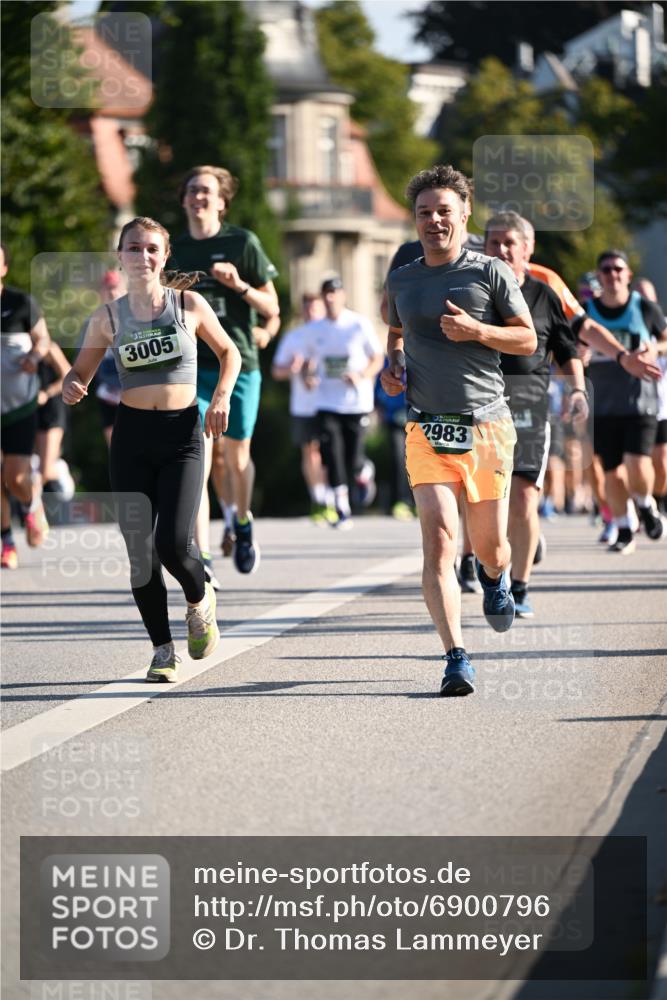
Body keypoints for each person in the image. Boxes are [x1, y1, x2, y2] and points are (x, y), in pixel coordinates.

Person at [62, 217, 241, 682]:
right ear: (120, 257)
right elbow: (79, 371)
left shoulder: (189, 305)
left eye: (151, 249)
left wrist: (219, 397)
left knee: (172, 543)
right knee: (140, 553)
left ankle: (199, 599)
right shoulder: (107, 318)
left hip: (183, 434)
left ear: (164, 258)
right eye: (133, 249)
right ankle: (163, 651)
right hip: (132, 437)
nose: (142, 257)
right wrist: (72, 385)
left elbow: (229, 353)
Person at [382, 165, 537, 697]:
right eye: (424, 212)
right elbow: (395, 326)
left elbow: (527, 340)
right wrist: (393, 362)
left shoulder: (490, 272)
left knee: (491, 547)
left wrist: (477, 331)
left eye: (444, 211)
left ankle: (497, 579)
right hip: (427, 429)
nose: (434, 221)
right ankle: (455, 656)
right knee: (441, 539)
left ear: (464, 214)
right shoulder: (402, 275)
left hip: (487, 426)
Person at [169, 165, 280, 579]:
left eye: (207, 191)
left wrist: (238, 286)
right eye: (192, 190)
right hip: (190, 368)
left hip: (238, 364)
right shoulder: (173, 250)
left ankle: (243, 521)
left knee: (236, 458)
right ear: (184, 199)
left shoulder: (242, 242)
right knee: (197, 456)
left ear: (221, 201)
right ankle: (202, 555)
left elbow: (272, 309)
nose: (199, 197)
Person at [483, 212, 588, 618]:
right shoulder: (474, 290)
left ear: (528, 249)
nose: (503, 250)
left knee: (524, 495)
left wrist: (577, 389)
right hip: (480, 405)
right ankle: (494, 562)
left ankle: (519, 586)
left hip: (529, 404)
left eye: (511, 243)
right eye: (494, 243)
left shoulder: (545, 295)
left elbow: (567, 349)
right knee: (487, 498)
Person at [574, 250, 666, 553]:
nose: (612, 274)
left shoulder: (644, 308)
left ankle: (645, 503)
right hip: (602, 404)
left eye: (618, 269)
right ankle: (625, 528)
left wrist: (654, 349)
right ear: (599, 276)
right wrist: (580, 355)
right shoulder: (587, 312)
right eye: (606, 270)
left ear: (627, 274)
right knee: (611, 471)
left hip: (640, 401)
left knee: (637, 465)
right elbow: (571, 349)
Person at [301, 276, 384, 529]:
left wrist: (360, 375)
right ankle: (341, 505)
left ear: (343, 296)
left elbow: (377, 358)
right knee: (331, 453)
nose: (329, 297)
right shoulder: (315, 329)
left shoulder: (358, 324)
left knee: (352, 457)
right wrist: (308, 378)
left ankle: (363, 470)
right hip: (326, 401)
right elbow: (307, 362)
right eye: (325, 293)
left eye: (334, 293)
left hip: (356, 402)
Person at [1, 243, 52, 569]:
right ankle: (6, 541)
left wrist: (34, 356)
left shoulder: (20, 303)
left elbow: (43, 340)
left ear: (4, 267)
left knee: (16, 478)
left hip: (19, 405)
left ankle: (31, 504)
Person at [271, 292, 335, 523]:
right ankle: (319, 499)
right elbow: (277, 371)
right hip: (304, 405)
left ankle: (337, 492)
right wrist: (294, 368)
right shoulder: (294, 337)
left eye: (315, 308)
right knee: (310, 451)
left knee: (332, 451)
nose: (311, 313)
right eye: (307, 309)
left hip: (331, 403)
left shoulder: (332, 332)